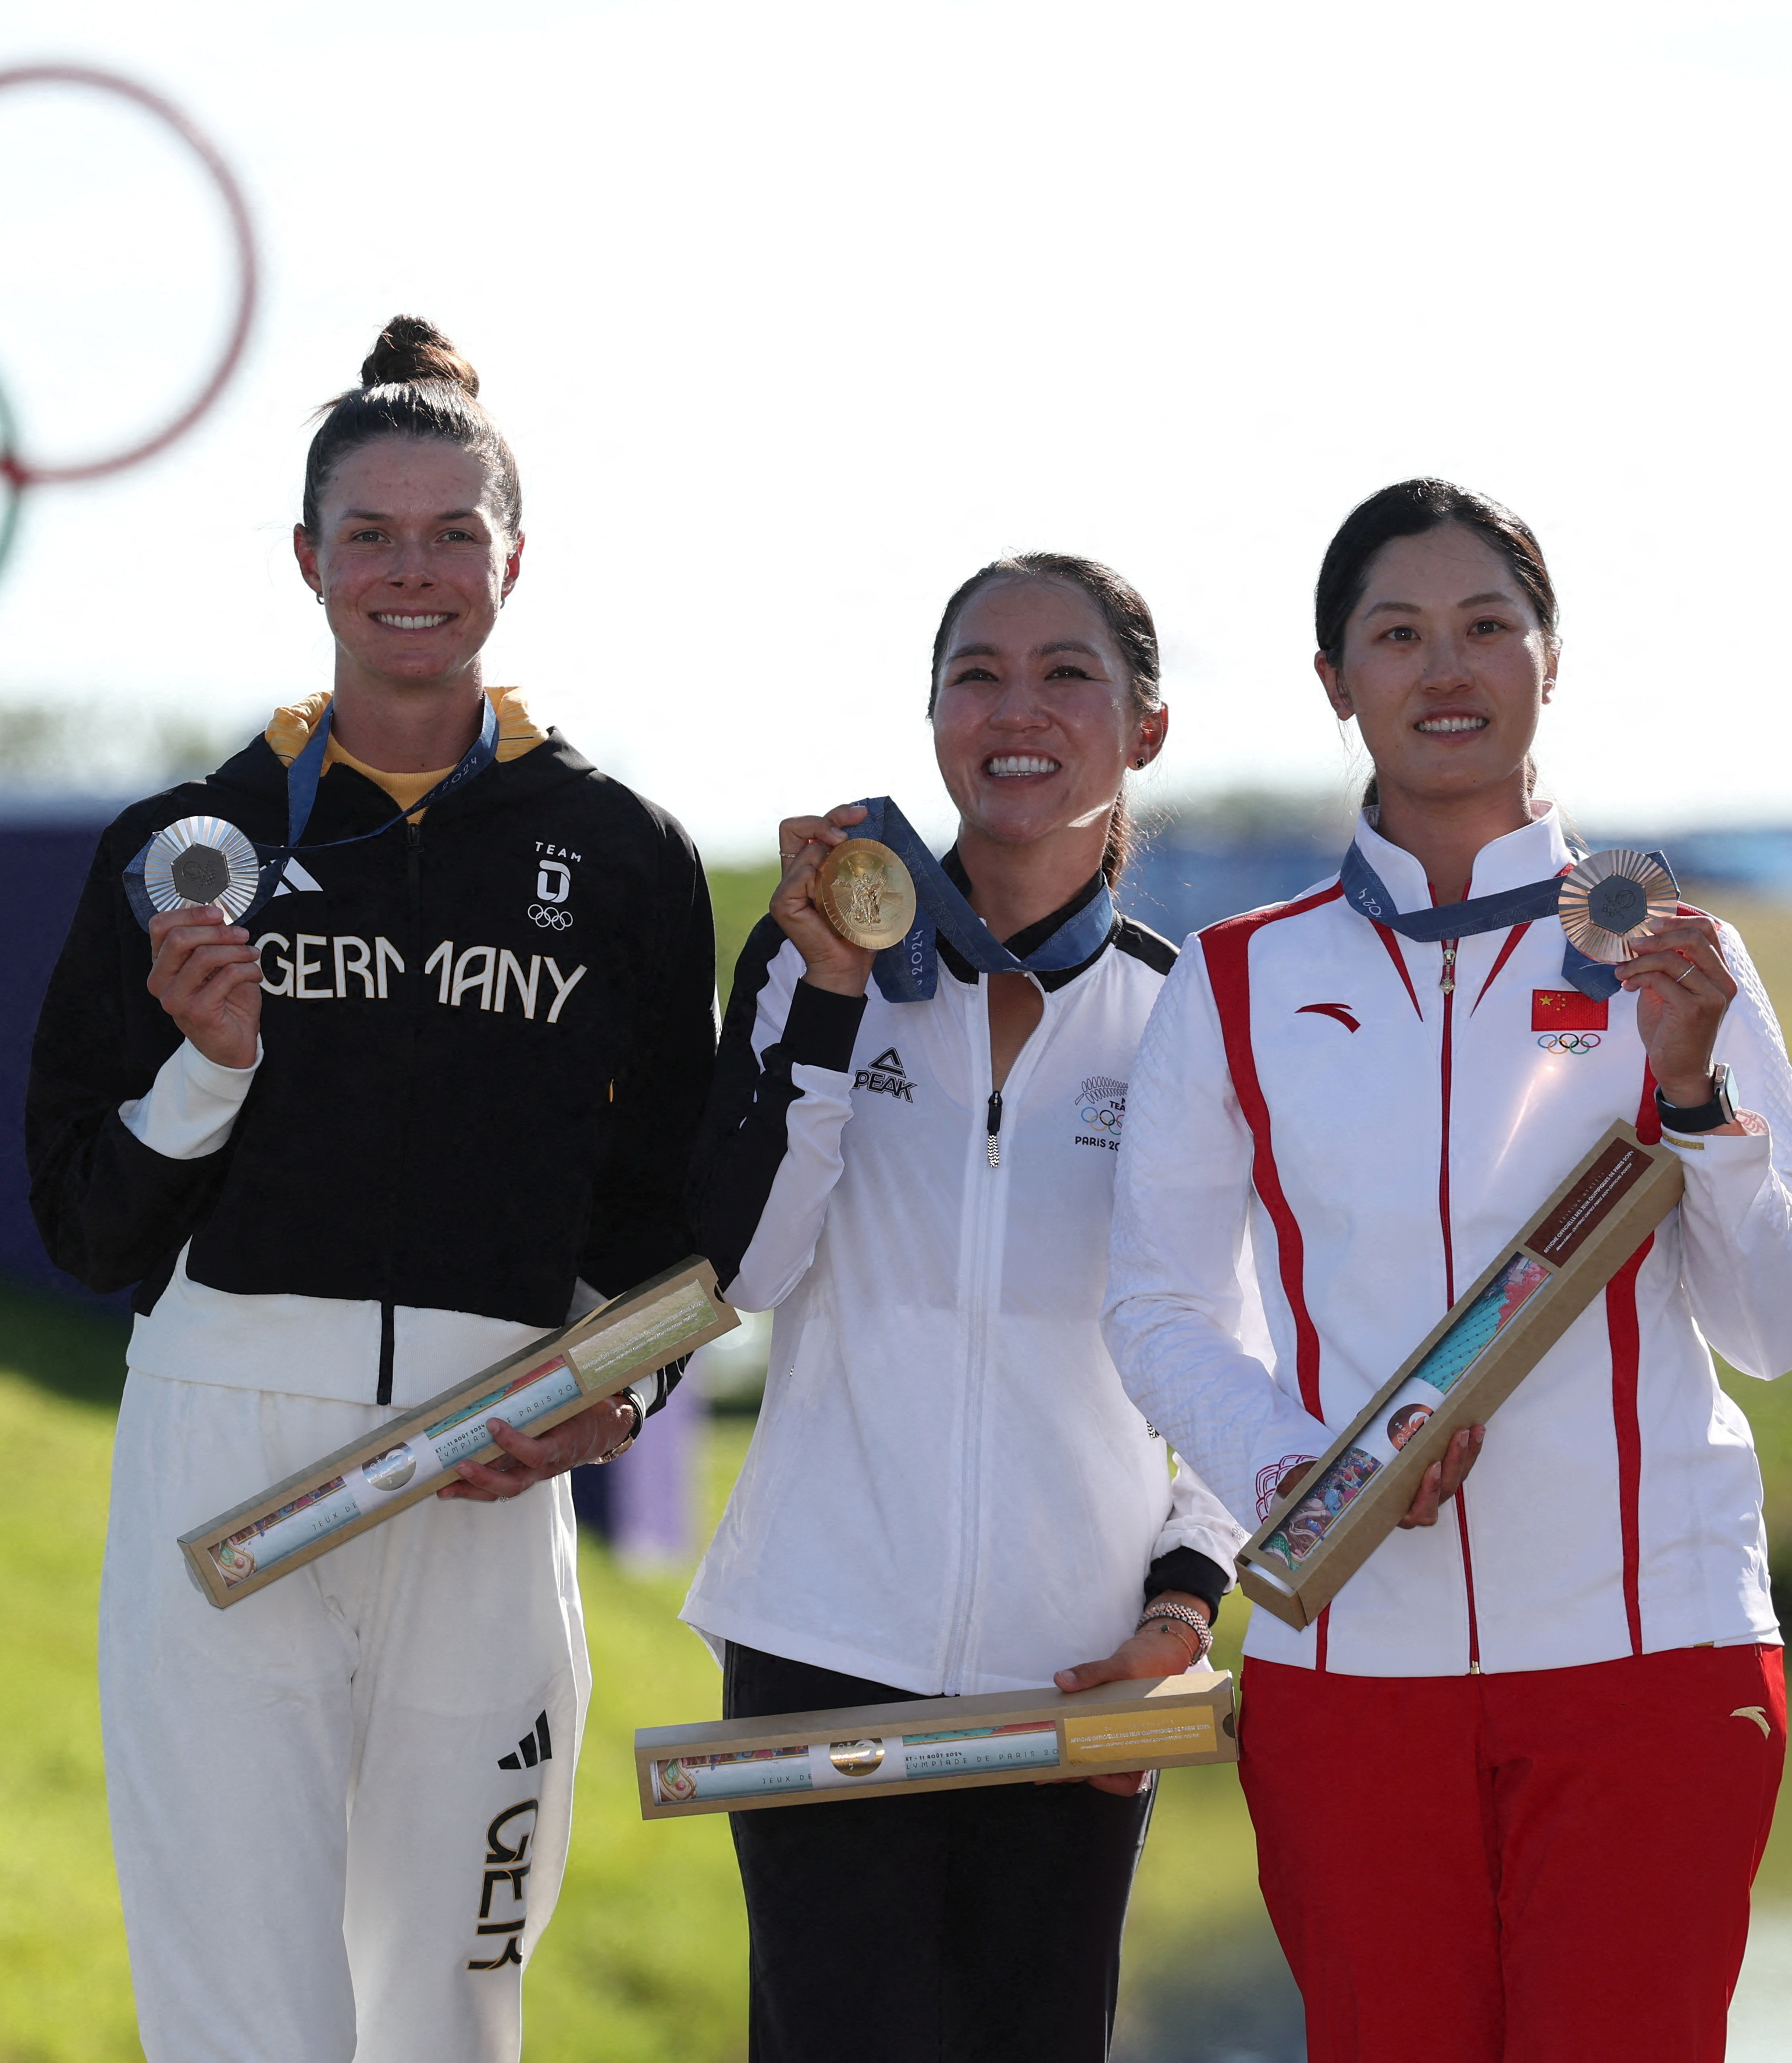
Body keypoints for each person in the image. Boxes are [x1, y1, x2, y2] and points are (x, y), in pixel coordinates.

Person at [24, 316, 717, 2063]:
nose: (411, 573)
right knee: (247, 2012)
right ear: (306, 560)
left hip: (496, 1459)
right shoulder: (181, 849)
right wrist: (210, 1069)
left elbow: (669, 1209)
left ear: (512, 557)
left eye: (450, 534)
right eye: (371, 536)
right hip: (228, 1439)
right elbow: (83, 1222)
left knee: (452, 2007)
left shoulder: (622, 851)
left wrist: (604, 1394)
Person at [1104, 480, 1792, 2062]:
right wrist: (1309, 1470)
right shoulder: (1238, 976)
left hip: (1652, 1659)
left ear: (1548, 658)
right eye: (1396, 632)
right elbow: (1156, 1307)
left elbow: (1779, 1324)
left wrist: (1695, 1092)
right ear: (1333, 680)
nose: (1446, 667)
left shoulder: (1669, 956)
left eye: (1486, 625)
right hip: (1351, 1665)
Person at [684, 552, 1249, 2061]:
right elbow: (737, 1271)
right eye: (974, 673)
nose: (1016, 707)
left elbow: (1227, 1353)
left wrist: (1181, 1602)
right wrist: (822, 1000)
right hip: (819, 1635)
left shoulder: (1184, 1015)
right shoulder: (817, 953)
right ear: (931, 713)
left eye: (1066, 672)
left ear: (1144, 727)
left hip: (1075, 1666)